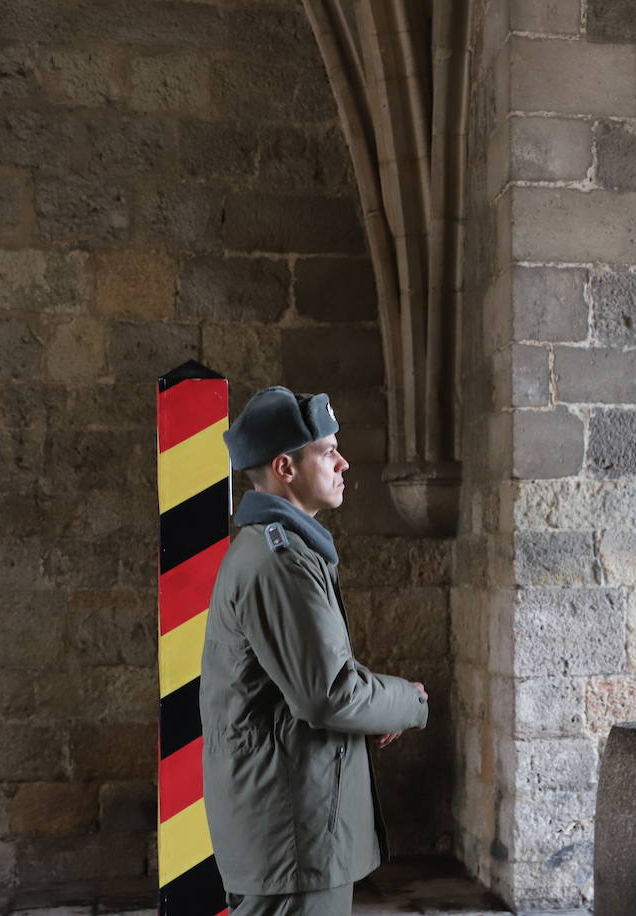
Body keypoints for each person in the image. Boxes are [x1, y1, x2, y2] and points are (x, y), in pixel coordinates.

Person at [201, 386, 430, 915]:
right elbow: (328, 694)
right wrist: (409, 701)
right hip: (291, 827)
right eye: (328, 451)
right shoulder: (280, 561)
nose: (343, 462)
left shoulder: (279, 549)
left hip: (289, 823)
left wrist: (375, 705)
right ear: (285, 467)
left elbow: (313, 673)